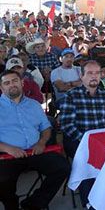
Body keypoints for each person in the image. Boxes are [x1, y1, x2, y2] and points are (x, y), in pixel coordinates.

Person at [0, 70, 70, 210]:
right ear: (1, 88)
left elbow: (46, 128)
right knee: (2, 181)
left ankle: (34, 203)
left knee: (62, 167)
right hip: (7, 155)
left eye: (14, 81)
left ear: (22, 83)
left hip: (35, 151)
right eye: (6, 83)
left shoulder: (33, 105)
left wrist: (41, 142)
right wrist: (9, 149)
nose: (11, 85)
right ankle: (11, 206)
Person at [60, 60, 105, 209]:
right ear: (82, 76)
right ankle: (90, 202)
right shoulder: (72, 95)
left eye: (97, 73)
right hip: (78, 139)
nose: (94, 76)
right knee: (86, 156)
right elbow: (66, 124)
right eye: (90, 73)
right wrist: (87, 140)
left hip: (102, 139)